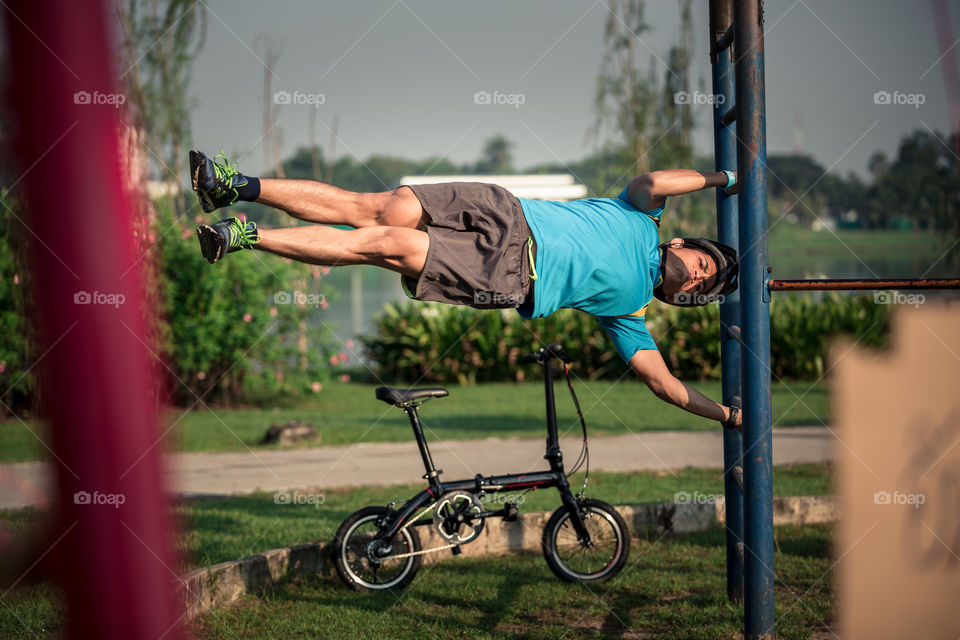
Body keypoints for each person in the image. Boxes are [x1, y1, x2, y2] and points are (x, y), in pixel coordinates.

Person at [190, 150, 742, 430]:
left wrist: (726, 414)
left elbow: (664, 384)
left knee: (388, 244)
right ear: (684, 243)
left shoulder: (630, 314)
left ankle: (244, 235)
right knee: (380, 208)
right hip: (505, 210)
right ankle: (231, 186)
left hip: (507, 274)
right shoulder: (641, 214)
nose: (698, 273)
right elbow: (657, 182)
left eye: (704, 282)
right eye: (701, 261)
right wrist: (725, 178)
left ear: (689, 294)